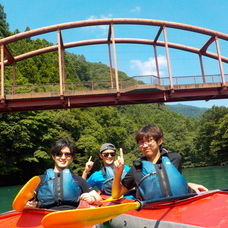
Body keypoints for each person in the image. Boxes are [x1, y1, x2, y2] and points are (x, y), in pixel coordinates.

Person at [112, 125, 208, 201]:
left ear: (159, 141)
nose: (144, 145)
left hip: (181, 205)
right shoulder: (137, 168)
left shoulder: (174, 158)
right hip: (154, 209)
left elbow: (170, 182)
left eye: (149, 141)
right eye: (141, 142)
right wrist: (118, 172)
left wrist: (189, 184)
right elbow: (116, 195)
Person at [25, 138, 102, 210]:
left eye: (67, 154)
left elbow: (99, 198)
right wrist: (28, 205)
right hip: (46, 216)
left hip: (72, 215)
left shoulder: (78, 179)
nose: (63, 157)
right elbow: (23, 201)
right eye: (59, 154)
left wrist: (93, 199)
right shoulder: (39, 180)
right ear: (53, 156)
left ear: (72, 157)